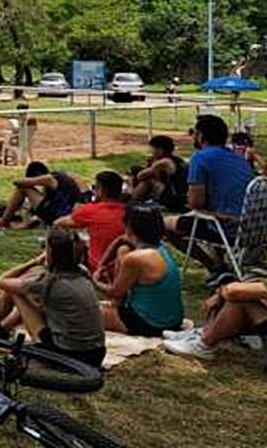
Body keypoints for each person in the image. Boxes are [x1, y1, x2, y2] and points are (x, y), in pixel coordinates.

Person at [164, 224, 267, 385]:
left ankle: (204, 344)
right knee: (254, 286)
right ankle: (207, 331)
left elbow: (234, 293)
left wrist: (220, 292)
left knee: (241, 300)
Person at [0, 229, 106, 368]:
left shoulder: (49, 283)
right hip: (96, 353)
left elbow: (1, 280)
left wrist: (35, 261)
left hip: (69, 355)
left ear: (50, 252)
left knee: (13, 291)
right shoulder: (82, 271)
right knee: (26, 295)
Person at [164, 115, 254, 275]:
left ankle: (214, 267)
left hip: (225, 227)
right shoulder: (238, 157)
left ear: (201, 135)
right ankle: (220, 263)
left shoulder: (200, 158)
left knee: (164, 225)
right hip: (249, 227)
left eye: (193, 132)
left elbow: (196, 203)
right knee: (209, 212)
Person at [95, 204, 185, 337]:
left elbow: (114, 291)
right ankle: (118, 308)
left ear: (130, 228)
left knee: (86, 313)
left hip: (150, 324)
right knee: (122, 249)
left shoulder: (135, 259)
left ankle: (120, 313)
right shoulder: (159, 247)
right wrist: (102, 264)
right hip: (174, 321)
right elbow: (120, 240)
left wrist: (94, 279)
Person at [54, 170, 127, 275]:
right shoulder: (129, 211)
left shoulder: (91, 210)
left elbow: (58, 223)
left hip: (97, 269)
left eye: (95, 187)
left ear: (101, 190)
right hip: (123, 269)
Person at [0, 162, 83, 231]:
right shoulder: (66, 176)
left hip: (58, 215)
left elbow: (18, 182)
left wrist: (31, 180)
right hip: (71, 214)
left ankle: (3, 221)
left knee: (22, 188)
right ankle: (28, 222)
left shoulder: (49, 179)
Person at [128, 135, 189, 211]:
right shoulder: (176, 160)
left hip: (174, 197)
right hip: (181, 194)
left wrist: (133, 178)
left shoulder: (164, 162)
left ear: (160, 150)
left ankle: (132, 200)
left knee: (148, 180)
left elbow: (140, 176)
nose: (150, 151)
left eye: (152, 149)